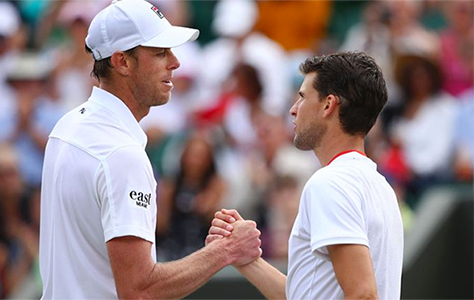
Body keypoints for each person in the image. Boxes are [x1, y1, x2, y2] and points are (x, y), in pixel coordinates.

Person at [38, 0, 262, 299]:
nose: (175, 62)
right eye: (160, 52)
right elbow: (140, 289)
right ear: (122, 62)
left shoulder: (66, 128)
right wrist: (227, 250)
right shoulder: (121, 153)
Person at [207, 51, 404, 299]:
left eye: (302, 97)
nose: (293, 109)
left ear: (328, 104)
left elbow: (362, 294)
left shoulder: (330, 182)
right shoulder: (381, 187)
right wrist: (246, 259)